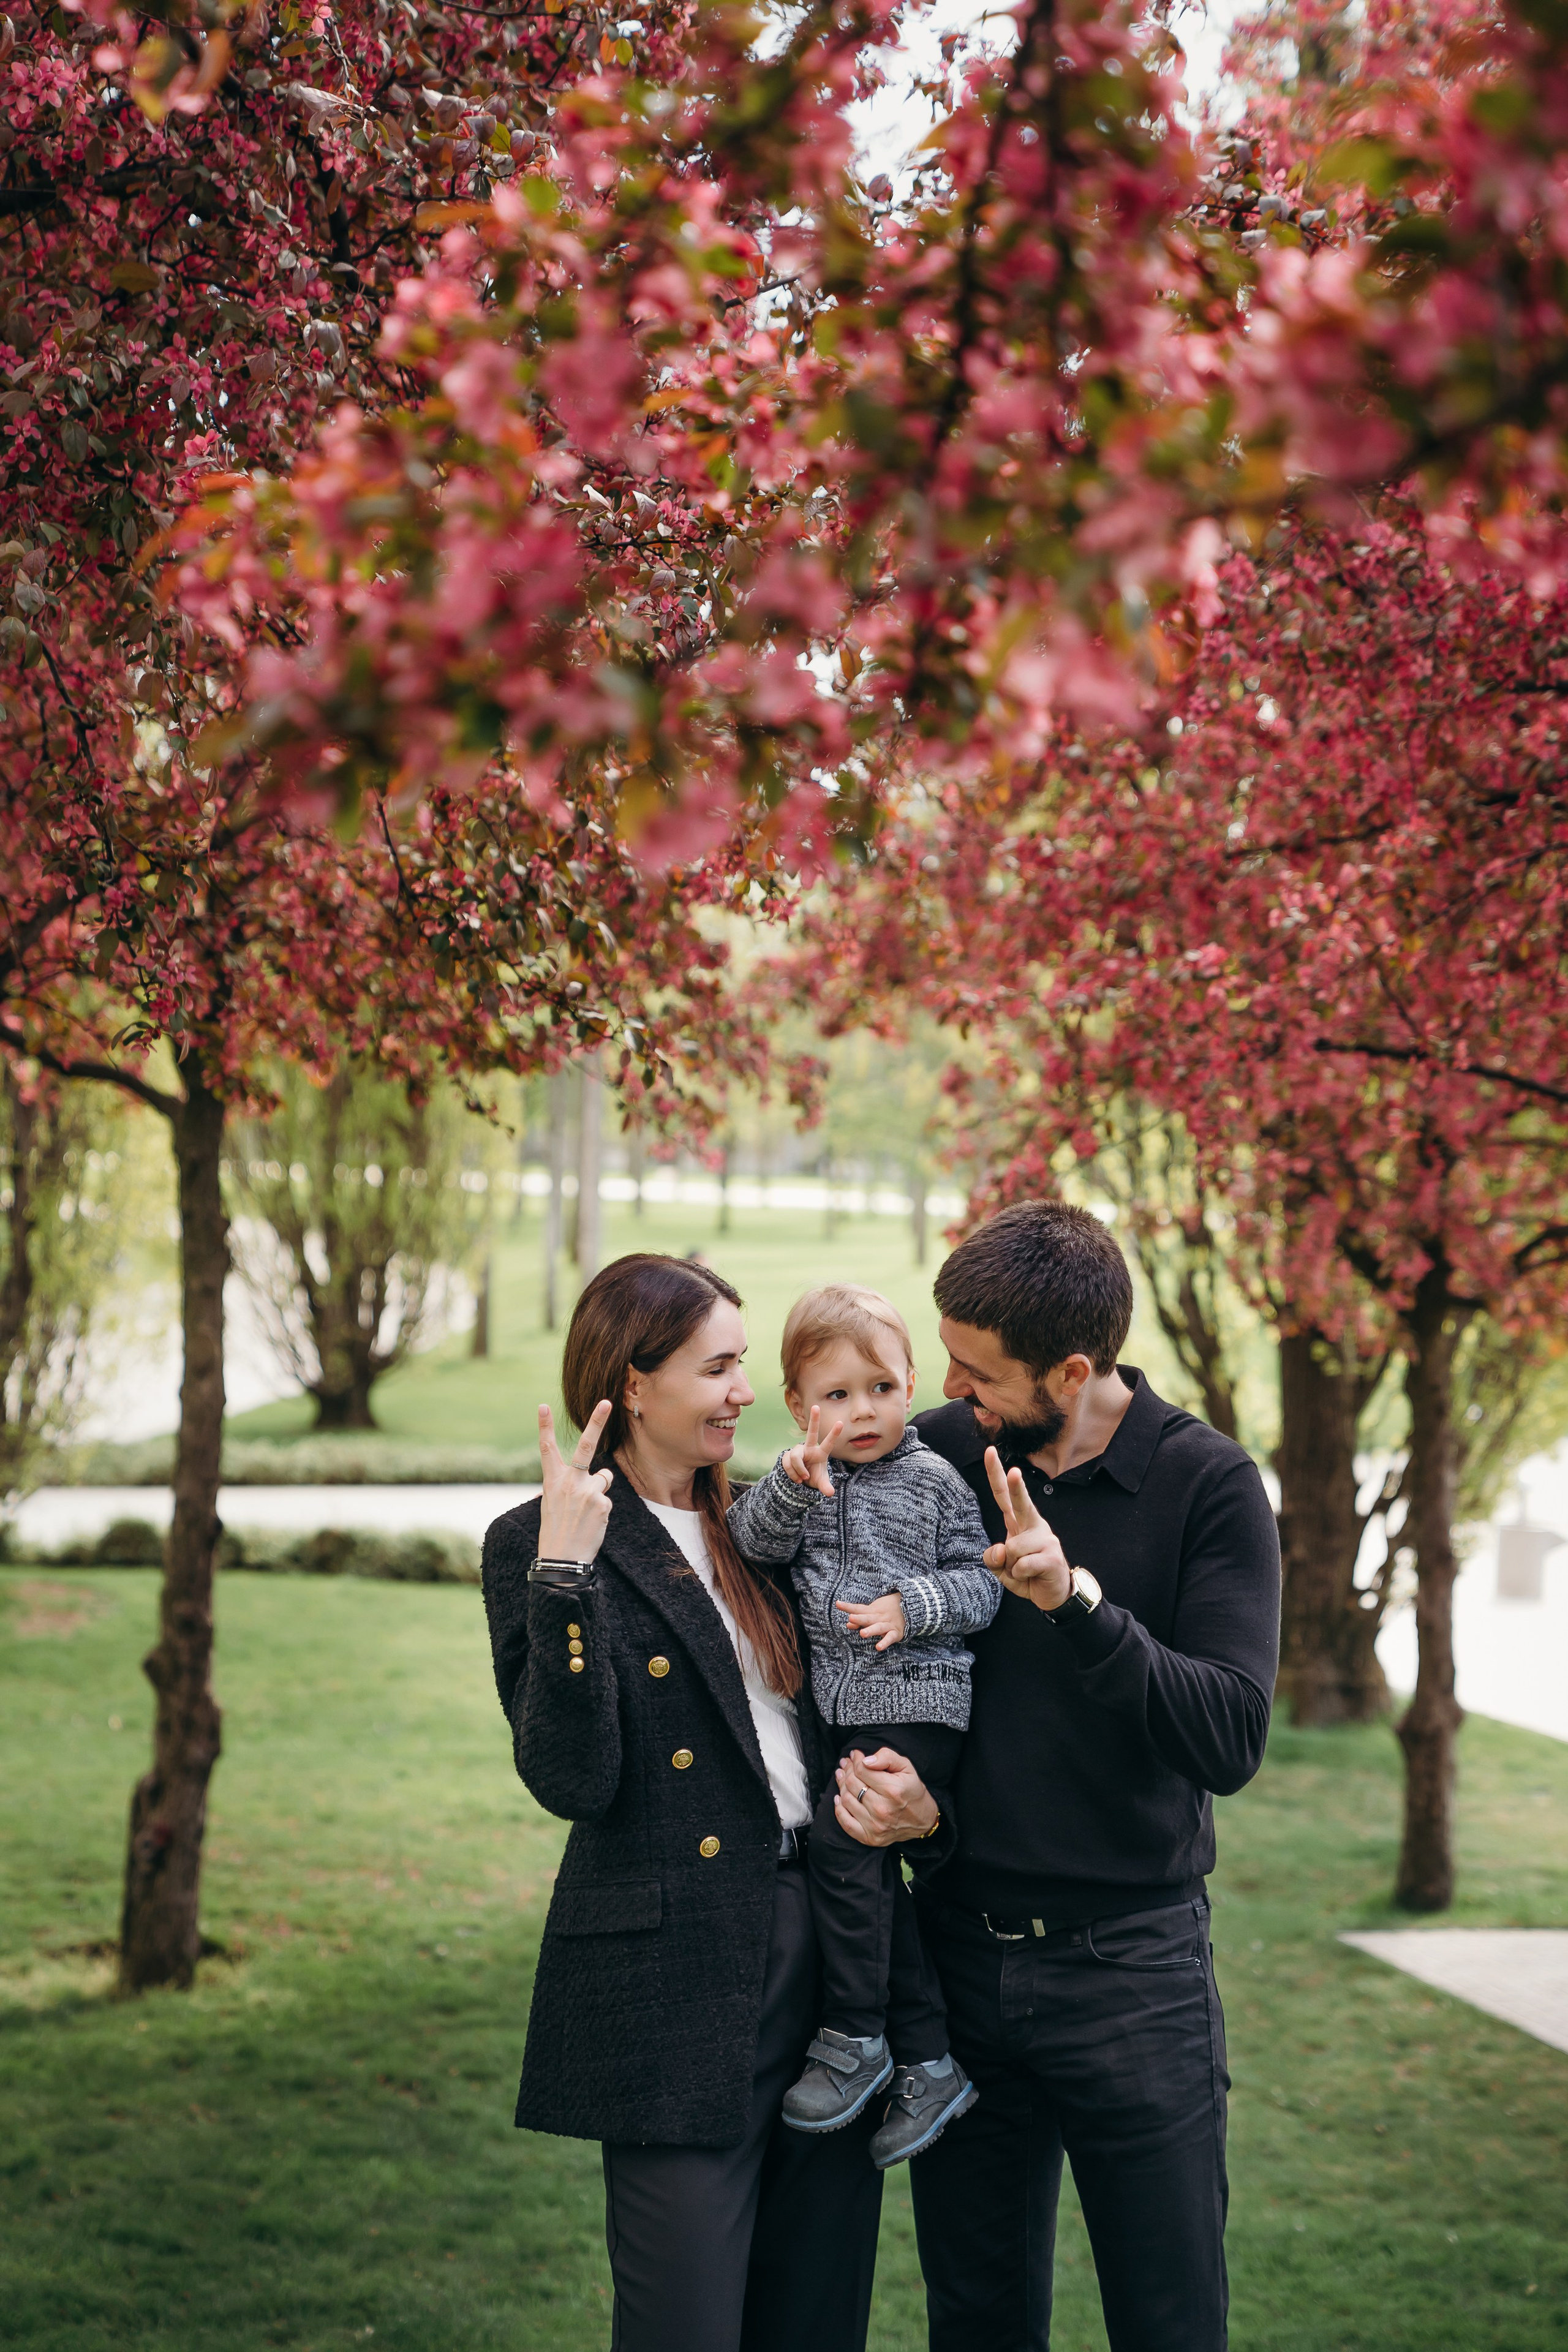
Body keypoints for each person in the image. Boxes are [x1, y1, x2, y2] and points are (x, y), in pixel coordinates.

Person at [828, 1201, 1281, 2352]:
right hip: (957, 1970)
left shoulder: (1208, 1483)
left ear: (1072, 1372)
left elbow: (1230, 1736)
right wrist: (918, 1815)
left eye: (978, 1373)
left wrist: (1076, 1605)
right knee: (976, 2323)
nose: (945, 1391)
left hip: (1134, 1978)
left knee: (1169, 2321)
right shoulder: (933, 1454)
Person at [480, 1254, 884, 2352]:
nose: (746, 1392)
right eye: (717, 1369)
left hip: (829, 1941)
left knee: (818, 2314)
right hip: (676, 1966)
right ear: (633, 1382)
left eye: (742, 1365)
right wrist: (564, 1579)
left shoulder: (764, 1527)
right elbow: (572, 1779)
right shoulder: (536, 1541)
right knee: (686, 2322)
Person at [726, 1285, 1000, 2169]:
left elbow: (983, 1585)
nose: (865, 1411)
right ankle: (928, 2061)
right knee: (868, 1871)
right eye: (837, 1396)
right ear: (798, 1404)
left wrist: (911, 1607)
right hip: (842, 1712)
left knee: (844, 1850)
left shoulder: (935, 1481)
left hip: (919, 1699)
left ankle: (855, 2035)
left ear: (912, 1382)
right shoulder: (803, 1481)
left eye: (882, 1388)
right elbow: (749, 1543)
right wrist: (789, 1484)